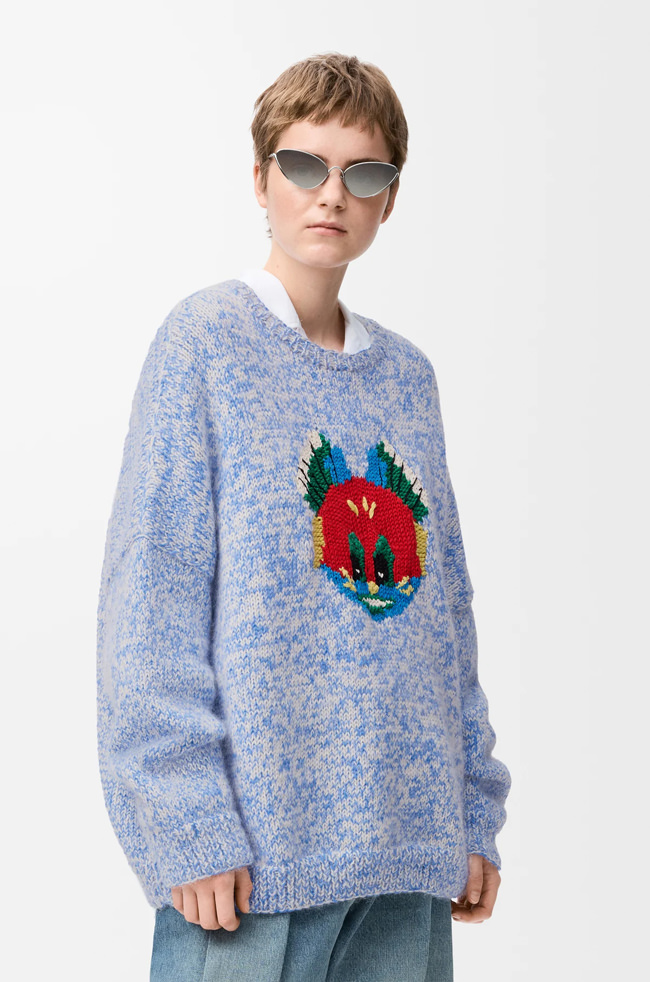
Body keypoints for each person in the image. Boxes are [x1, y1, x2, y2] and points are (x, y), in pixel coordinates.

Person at [96, 52, 512, 982]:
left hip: (407, 858)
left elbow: (446, 615)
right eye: (303, 165)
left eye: (362, 173)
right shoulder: (205, 343)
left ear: (389, 199)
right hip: (252, 865)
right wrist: (184, 823)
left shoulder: (409, 379)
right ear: (260, 179)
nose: (331, 194)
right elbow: (151, 600)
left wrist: (470, 810)